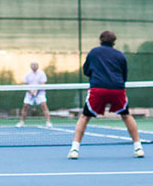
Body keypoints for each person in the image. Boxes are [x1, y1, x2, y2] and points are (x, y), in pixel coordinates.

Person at [67, 30, 144, 159]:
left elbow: (86, 71)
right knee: (126, 116)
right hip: (117, 89)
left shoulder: (93, 52)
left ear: (100, 40)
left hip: (98, 89)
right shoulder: (120, 55)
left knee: (84, 117)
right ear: (114, 41)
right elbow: (124, 76)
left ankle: (74, 150)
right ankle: (138, 148)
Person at [15, 62, 52, 128]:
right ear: (30, 66)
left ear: (38, 66)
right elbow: (25, 84)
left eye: (35, 65)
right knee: (25, 106)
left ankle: (48, 122)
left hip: (40, 93)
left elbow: (43, 83)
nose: (34, 66)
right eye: (33, 65)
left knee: (44, 105)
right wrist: (31, 92)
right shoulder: (28, 74)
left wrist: (36, 91)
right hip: (29, 93)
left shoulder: (42, 73)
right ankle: (22, 122)